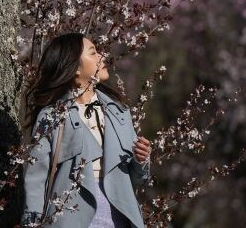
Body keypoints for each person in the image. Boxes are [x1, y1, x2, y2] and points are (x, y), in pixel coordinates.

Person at [20, 32, 152, 228]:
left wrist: (141, 160)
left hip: (120, 214)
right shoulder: (52, 116)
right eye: (93, 53)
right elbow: (35, 178)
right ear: (74, 68)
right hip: (69, 215)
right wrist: (31, 222)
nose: (101, 57)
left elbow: (136, 178)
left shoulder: (120, 113)